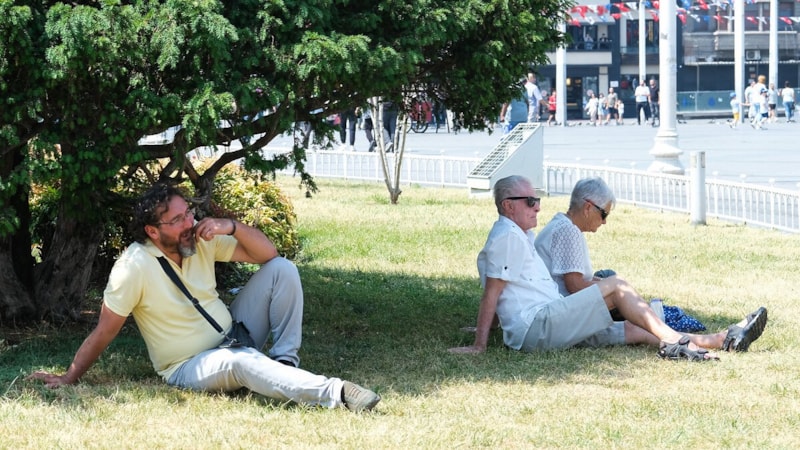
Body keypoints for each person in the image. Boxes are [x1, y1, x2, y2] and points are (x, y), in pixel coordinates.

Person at [28, 183, 381, 412]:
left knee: (283, 269)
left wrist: (231, 226)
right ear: (153, 231)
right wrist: (68, 377)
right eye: (178, 218)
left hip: (233, 336)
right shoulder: (132, 267)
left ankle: (284, 366)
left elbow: (267, 254)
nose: (190, 221)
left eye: (190, 212)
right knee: (241, 362)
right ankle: (336, 393)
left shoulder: (198, 239)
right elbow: (104, 331)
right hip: (189, 366)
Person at [448, 175, 768, 361]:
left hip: (551, 319)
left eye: (537, 199)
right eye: (530, 201)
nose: (538, 206)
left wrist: (488, 330)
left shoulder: (519, 235)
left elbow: (511, 294)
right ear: (508, 205)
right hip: (541, 325)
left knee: (634, 330)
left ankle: (721, 339)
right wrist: (478, 344)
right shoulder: (509, 236)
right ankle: (675, 342)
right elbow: (494, 292)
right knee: (617, 285)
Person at [534, 177, 710, 333]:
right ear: (588, 207)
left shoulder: (561, 223)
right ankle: (655, 318)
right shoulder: (568, 231)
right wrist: (616, 291)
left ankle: (647, 311)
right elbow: (575, 286)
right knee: (618, 289)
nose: (604, 221)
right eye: (603, 214)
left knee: (611, 279)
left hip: (557, 304)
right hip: (564, 309)